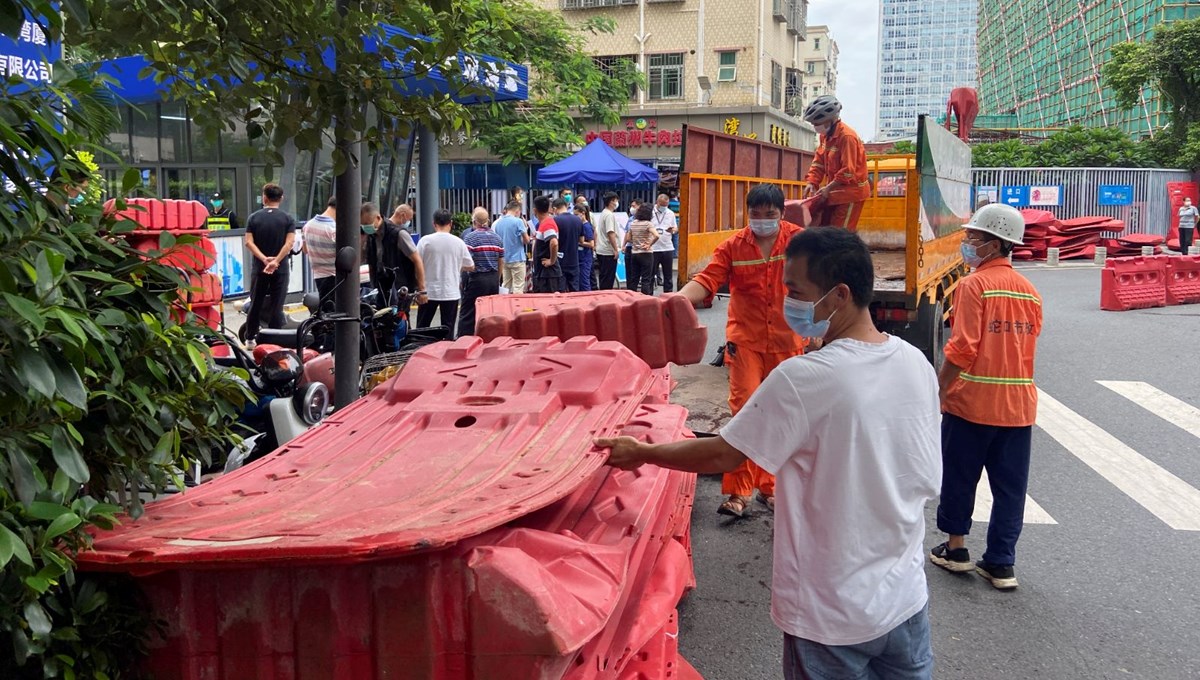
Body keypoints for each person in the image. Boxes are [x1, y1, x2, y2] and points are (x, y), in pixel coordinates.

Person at [596, 227, 941, 680]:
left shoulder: (806, 379)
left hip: (831, 615)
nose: (788, 303)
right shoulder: (914, 361)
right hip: (906, 602)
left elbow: (723, 455)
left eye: (796, 292)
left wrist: (642, 451)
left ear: (838, 295)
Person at [930, 203, 1041, 591]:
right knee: (1010, 490)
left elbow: (961, 348)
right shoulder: (1031, 293)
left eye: (973, 237)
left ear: (994, 244)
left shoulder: (973, 285)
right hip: (1018, 409)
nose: (967, 242)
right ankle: (1001, 563)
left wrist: (940, 390)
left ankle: (956, 549)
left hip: (972, 403)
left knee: (960, 477)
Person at [677, 184, 807, 517]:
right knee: (745, 414)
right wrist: (675, 301)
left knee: (781, 417)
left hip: (788, 342)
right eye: (755, 214)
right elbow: (707, 279)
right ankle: (738, 491)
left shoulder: (798, 241)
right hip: (746, 343)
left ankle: (771, 485)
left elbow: (818, 280)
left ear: (781, 214)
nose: (762, 221)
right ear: (747, 213)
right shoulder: (733, 246)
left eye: (770, 215)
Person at [801, 95, 870, 232]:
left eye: (817, 123)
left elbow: (848, 171)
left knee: (840, 234)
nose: (815, 127)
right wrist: (812, 182)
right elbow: (819, 162)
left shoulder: (847, 137)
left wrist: (828, 188)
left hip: (851, 194)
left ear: (831, 119)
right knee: (825, 230)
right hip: (835, 193)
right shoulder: (825, 137)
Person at [243, 184, 296, 340]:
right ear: (281, 198)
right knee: (277, 305)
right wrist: (276, 261)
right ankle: (274, 337)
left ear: (264, 198)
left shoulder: (253, 218)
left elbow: (248, 242)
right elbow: (289, 244)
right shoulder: (288, 219)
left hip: (260, 268)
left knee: (256, 302)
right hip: (281, 269)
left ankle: (250, 336)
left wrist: (264, 259)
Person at [415, 209, 473, 336]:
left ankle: (420, 351)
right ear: (450, 223)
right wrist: (456, 265)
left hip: (428, 291)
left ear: (434, 223)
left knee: (421, 329)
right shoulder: (459, 242)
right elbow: (470, 266)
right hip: (450, 292)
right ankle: (446, 353)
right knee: (448, 330)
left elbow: (416, 263)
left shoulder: (425, 241)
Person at [363, 202, 425, 306]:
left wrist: (421, 290)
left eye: (367, 223)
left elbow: (417, 260)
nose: (365, 227)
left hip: (399, 289)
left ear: (378, 218)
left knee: (398, 319)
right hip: (381, 289)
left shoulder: (399, 234)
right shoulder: (372, 236)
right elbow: (371, 263)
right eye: (363, 224)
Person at [458, 207, 504, 335]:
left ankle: (464, 338)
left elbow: (467, 261)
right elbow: (500, 261)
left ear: (474, 221)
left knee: (468, 311)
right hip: (493, 278)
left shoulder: (470, 238)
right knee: (489, 311)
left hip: (477, 279)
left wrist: (462, 278)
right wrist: (497, 279)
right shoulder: (497, 238)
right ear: (488, 221)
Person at [302, 196, 338, 306]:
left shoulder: (308, 225)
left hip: (318, 275)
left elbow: (305, 250)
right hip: (335, 277)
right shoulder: (333, 229)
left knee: (326, 311)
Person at [531, 195, 565, 293]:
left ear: (534, 210)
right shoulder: (545, 223)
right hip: (544, 273)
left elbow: (554, 243)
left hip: (548, 275)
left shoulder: (547, 223)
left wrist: (552, 261)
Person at [494, 200, 530, 294]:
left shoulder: (498, 223)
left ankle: (504, 306)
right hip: (517, 258)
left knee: (506, 285)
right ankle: (517, 307)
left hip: (504, 259)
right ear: (517, 211)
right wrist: (525, 228)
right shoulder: (518, 221)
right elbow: (526, 240)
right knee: (518, 286)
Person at [624, 203, 659, 295]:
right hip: (646, 253)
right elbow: (656, 235)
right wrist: (649, 244)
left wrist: (636, 242)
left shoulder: (633, 223)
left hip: (634, 253)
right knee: (646, 278)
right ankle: (645, 299)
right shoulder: (648, 224)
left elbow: (628, 238)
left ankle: (632, 297)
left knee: (634, 278)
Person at [553, 197, 584, 291]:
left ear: (555, 209)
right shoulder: (578, 220)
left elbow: (553, 241)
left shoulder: (555, 221)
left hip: (560, 261)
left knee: (561, 291)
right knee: (574, 291)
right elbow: (581, 240)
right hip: (574, 260)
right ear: (566, 206)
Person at [594, 192, 623, 290]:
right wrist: (615, 249)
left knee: (603, 277)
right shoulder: (609, 215)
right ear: (611, 202)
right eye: (616, 200)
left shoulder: (604, 213)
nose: (617, 203)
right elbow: (611, 233)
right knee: (608, 279)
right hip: (608, 251)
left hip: (601, 249)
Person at [650, 193, 678, 293]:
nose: (664, 207)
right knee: (651, 274)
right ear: (657, 202)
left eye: (666, 205)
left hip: (667, 247)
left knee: (668, 275)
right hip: (653, 247)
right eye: (662, 205)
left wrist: (673, 230)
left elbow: (675, 227)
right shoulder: (650, 212)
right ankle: (649, 296)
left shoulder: (670, 213)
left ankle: (668, 295)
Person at [575, 203, 597, 291]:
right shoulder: (580, 225)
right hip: (580, 257)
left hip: (585, 258)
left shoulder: (587, 226)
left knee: (584, 282)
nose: (575, 217)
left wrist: (580, 243)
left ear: (583, 213)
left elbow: (591, 244)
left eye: (576, 214)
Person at [623, 199, 641, 288]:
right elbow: (626, 233)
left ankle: (634, 289)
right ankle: (629, 288)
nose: (631, 208)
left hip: (638, 247)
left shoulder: (644, 219)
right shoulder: (630, 219)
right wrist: (623, 245)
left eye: (634, 206)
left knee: (636, 271)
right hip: (629, 247)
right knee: (628, 270)